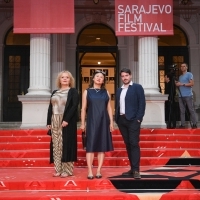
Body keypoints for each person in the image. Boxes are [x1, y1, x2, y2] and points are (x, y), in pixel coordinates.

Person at [80, 70, 114, 179]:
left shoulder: (106, 92)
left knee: (101, 146)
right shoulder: (87, 92)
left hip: (104, 121)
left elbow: (109, 108)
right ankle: (90, 171)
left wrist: (111, 122)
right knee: (90, 147)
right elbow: (83, 108)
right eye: (97, 76)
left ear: (103, 80)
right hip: (91, 121)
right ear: (93, 79)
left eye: (102, 77)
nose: (99, 78)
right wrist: (82, 123)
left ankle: (99, 170)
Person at [46, 70, 79, 178]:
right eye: (62, 77)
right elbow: (50, 107)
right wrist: (48, 122)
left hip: (66, 121)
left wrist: (66, 120)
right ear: (59, 80)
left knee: (67, 144)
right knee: (56, 145)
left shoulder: (73, 91)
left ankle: (68, 170)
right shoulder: (55, 92)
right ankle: (58, 169)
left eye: (67, 77)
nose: (65, 79)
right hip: (54, 119)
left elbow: (74, 107)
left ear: (70, 80)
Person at [115, 68, 146, 179]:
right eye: (123, 76)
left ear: (131, 76)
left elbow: (142, 103)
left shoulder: (137, 87)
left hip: (133, 120)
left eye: (126, 75)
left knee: (133, 143)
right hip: (122, 120)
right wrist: (117, 118)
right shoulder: (119, 90)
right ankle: (132, 169)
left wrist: (138, 119)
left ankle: (136, 170)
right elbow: (117, 105)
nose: (125, 78)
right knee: (128, 144)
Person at [175, 63, 197, 129]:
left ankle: (194, 124)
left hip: (188, 95)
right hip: (181, 95)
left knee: (191, 110)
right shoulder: (180, 77)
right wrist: (177, 84)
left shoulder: (189, 74)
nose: (182, 67)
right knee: (182, 111)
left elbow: (192, 83)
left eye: (184, 66)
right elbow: (179, 85)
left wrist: (182, 84)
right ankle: (182, 124)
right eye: (181, 66)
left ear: (186, 67)